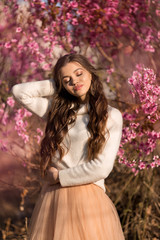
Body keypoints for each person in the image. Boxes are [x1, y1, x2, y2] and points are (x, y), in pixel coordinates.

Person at [11, 53, 125, 240]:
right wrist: (57, 82)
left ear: (90, 73)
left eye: (79, 74)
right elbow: (19, 92)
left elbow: (102, 167)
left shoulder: (111, 115)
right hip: (54, 199)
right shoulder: (57, 112)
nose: (75, 82)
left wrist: (60, 176)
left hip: (88, 197)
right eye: (67, 80)